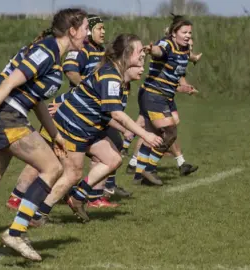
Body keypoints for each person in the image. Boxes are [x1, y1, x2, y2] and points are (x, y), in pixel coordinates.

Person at [0, 8, 89, 266]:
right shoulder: (45, 52)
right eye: (86, 28)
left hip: (4, 112)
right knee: (53, 167)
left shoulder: (54, 57)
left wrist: (56, 135)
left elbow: (36, 102)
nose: (88, 34)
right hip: (5, 113)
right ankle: (17, 232)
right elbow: (9, 82)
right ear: (72, 30)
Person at [29, 33, 163, 224]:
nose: (143, 56)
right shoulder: (110, 77)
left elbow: (106, 114)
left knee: (113, 159)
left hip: (87, 130)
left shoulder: (119, 79)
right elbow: (116, 114)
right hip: (72, 127)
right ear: (126, 54)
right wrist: (145, 134)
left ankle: (77, 197)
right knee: (72, 173)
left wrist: (127, 130)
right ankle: (38, 214)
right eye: (139, 51)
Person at [132, 14, 198, 186]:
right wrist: (152, 49)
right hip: (154, 95)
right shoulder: (167, 44)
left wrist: (184, 87)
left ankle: (139, 174)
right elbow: (159, 52)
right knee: (170, 133)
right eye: (184, 32)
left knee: (153, 135)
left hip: (160, 96)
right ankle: (150, 169)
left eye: (190, 33)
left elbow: (176, 73)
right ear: (174, 33)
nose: (188, 35)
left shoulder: (184, 51)